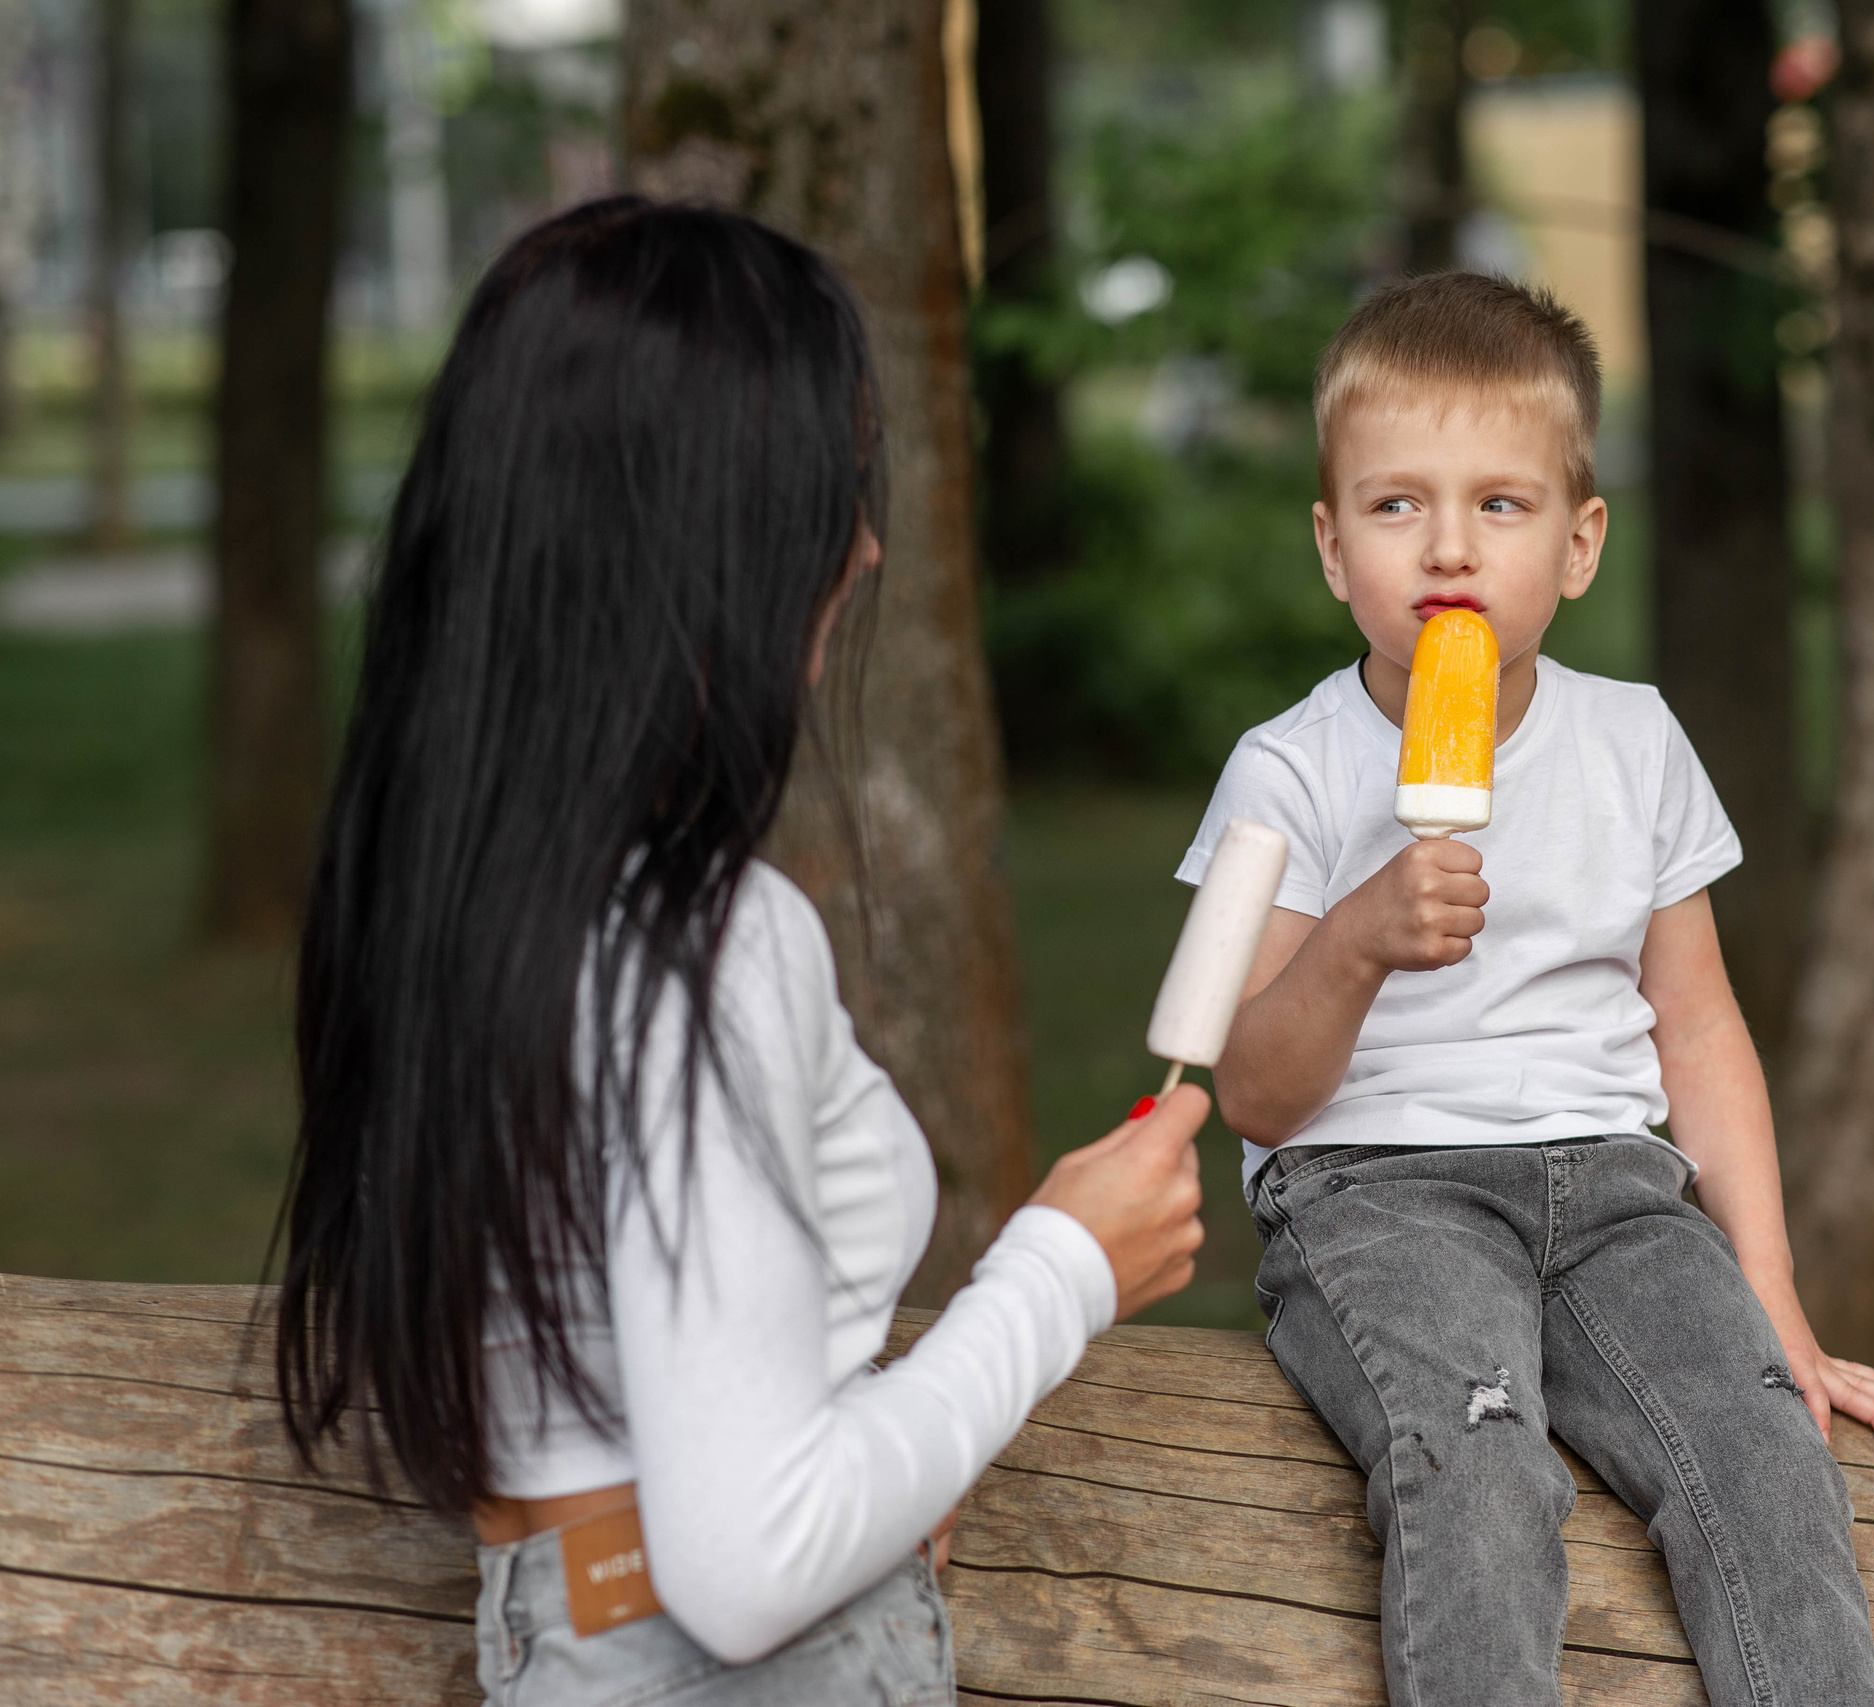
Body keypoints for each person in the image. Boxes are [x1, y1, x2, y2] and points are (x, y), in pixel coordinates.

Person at [272, 198, 1209, 1705]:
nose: (863, 543)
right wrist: (1066, 1264)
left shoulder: (465, 903)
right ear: (702, 540)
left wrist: (880, 1464)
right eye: (823, 489)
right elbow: (749, 1560)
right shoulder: (699, 948)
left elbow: (687, 1447)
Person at [1185, 272, 1874, 1707]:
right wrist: (1351, 942)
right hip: (1376, 1190)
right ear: (1333, 548)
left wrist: (1768, 1289)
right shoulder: (1281, 773)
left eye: (1500, 507)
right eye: (1398, 507)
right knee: (1478, 1463)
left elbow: (1698, 1025)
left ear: (1580, 544)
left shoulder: (1636, 742)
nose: (1448, 548)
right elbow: (1249, 1092)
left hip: (1620, 1195)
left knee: (1767, 1452)